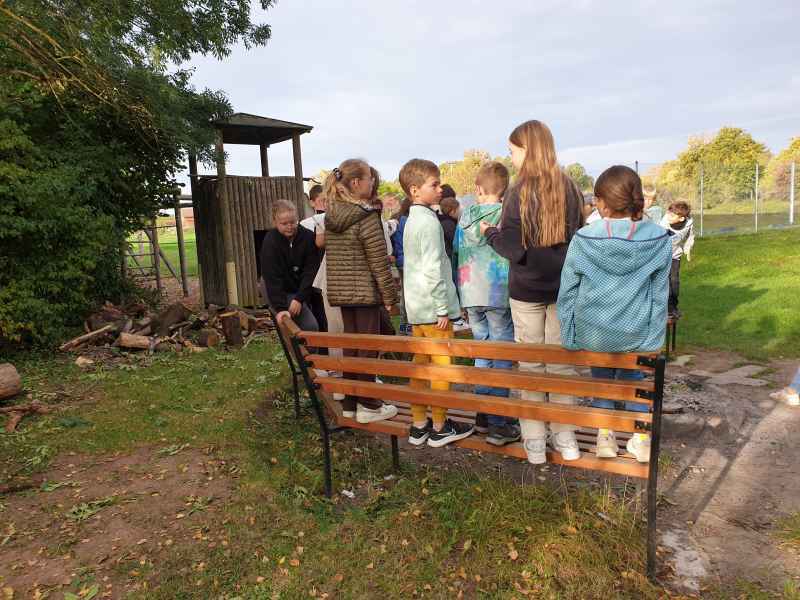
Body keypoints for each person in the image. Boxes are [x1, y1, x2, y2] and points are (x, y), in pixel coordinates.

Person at [479, 120, 584, 465]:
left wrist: (490, 233)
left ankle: (535, 441)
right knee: (561, 366)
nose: (511, 158)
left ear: (527, 149)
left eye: (512, 151)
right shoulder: (570, 187)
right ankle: (566, 438)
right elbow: (579, 239)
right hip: (563, 287)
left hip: (526, 290)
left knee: (530, 366)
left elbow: (513, 249)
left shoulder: (518, 191)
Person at [557, 165, 673, 462]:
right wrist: (653, 339)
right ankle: (641, 440)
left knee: (602, 383)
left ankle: (605, 438)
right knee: (633, 382)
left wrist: (569, 335)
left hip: (593, 332)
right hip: (636, 332)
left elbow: (568, 291)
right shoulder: (659, 239)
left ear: (602, 203)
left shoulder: (584, 239)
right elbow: (660, 295)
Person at [400, 158, 474, 447]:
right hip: (434, 310)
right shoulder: (429, 222)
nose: (440, 188)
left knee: (420, 366)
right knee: (442, 366)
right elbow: (433, 268)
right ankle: (440, 425)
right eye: (434, 184)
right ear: (415, 190)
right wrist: (443, 308)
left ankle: (419, 424)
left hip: (417, 308)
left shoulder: (411, 220)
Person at [324, 159, 399, 424]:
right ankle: (369, 404)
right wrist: (390, 298)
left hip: (343, 293)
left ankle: (351, 402)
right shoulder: (365, 216)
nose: (372, 182)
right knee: (367, 347)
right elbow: (378, 261)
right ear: (356, 183)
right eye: (369, 178)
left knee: (352, 347)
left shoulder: (332, 216)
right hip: (365, 293)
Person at [455, 161, 519, 446]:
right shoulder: (506, 215)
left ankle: (483, 415)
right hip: (498, 292)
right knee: (501, 353)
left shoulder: (464, 216)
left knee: (482, 352)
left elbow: (456, 250)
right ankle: (498, 422)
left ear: (478, 189)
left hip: (470, 292)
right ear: (505, 191)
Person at [261, 199, 321, 332]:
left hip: (302, 287)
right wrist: (281, 308)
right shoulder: (270, 241)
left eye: (293, 222)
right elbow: (272, 277)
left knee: (312, 327)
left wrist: (299, 298)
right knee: (293, 324)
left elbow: (311, 270)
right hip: (277, 288)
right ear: (275, 222)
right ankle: (292, 344)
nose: (289, 226)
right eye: (284, 223)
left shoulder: (308, 237)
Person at [299, 184, 329, 336]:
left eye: (327, 200)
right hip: (313, 276)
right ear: (312, 202)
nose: (325, 203)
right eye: (321, 200)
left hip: (330, 274)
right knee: (319, 315)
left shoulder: (334, 220)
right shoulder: (305, 224)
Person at [660, 200, 695, 317]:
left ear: (681, 218)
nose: (668, 215)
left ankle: (673, 308)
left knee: (674, 281)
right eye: (669, 212)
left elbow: (690, 236)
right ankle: (664, 308)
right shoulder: (664, 222)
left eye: (672, 215)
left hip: (675, 256)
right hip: (661, 256)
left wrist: (687, 249)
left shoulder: (688, 223)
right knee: (664, 282)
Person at [390, 198, 412, 335]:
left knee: (405, 295)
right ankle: (408, 328)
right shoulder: (408, 221)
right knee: (409, 297)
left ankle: (404, 329)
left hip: (401, 261)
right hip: (409, 262)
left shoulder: (399, 220)